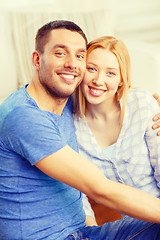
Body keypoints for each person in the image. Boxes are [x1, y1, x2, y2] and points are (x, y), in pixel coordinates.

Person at [0, 20, 160, 240]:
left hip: (82, 233)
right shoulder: (24, 117)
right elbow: (99, 188)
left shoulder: (66, 100)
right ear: (37, 59)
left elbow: (109, 89)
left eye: (79, 56)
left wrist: (154, 103)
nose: (71, 64)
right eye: (60, 53)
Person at [73, 35, 160, 237]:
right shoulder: (70, 124)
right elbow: (77, 193)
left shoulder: (142, 104)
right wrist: (90, 232)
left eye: (110, 73)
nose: (98, 80)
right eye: (91, 68)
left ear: (122, 79)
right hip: (132, 228)